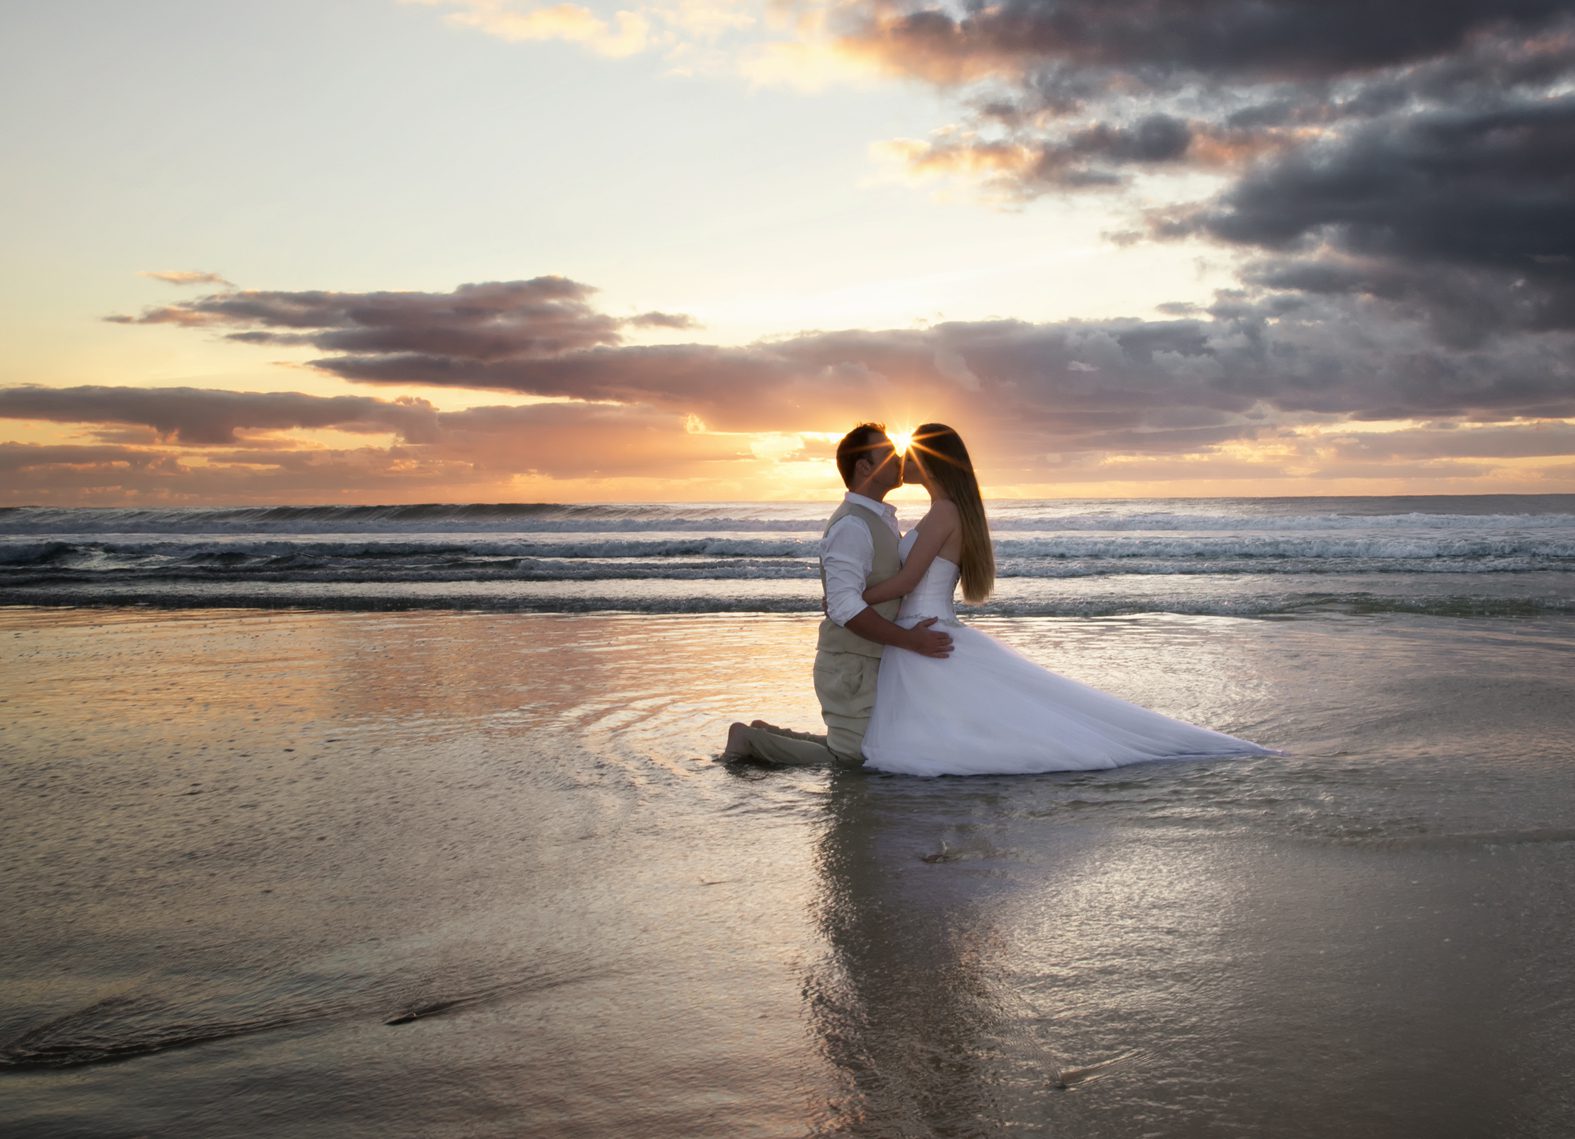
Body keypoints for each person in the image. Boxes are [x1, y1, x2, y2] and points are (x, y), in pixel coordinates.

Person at [859, 423, 1273, 776]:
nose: (901, 463)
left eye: (909, 455)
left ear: (930, 461)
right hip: (920, 630)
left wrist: (854, 600)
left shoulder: (944, 511)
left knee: (958, 734)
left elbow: (907, 580)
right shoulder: (944, 511)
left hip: (925, 630)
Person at [722, 423, 954, 767]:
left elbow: (852, 595)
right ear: (864, 466)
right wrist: (910, 641)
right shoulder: (852, 525)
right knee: (852, 758)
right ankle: (750, 742)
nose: (900, 458)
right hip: (850, 662)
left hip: (863, 659)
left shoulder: (877, 518)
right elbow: (846, 607)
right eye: (889, 452)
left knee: (859, 744)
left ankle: (765, 733)